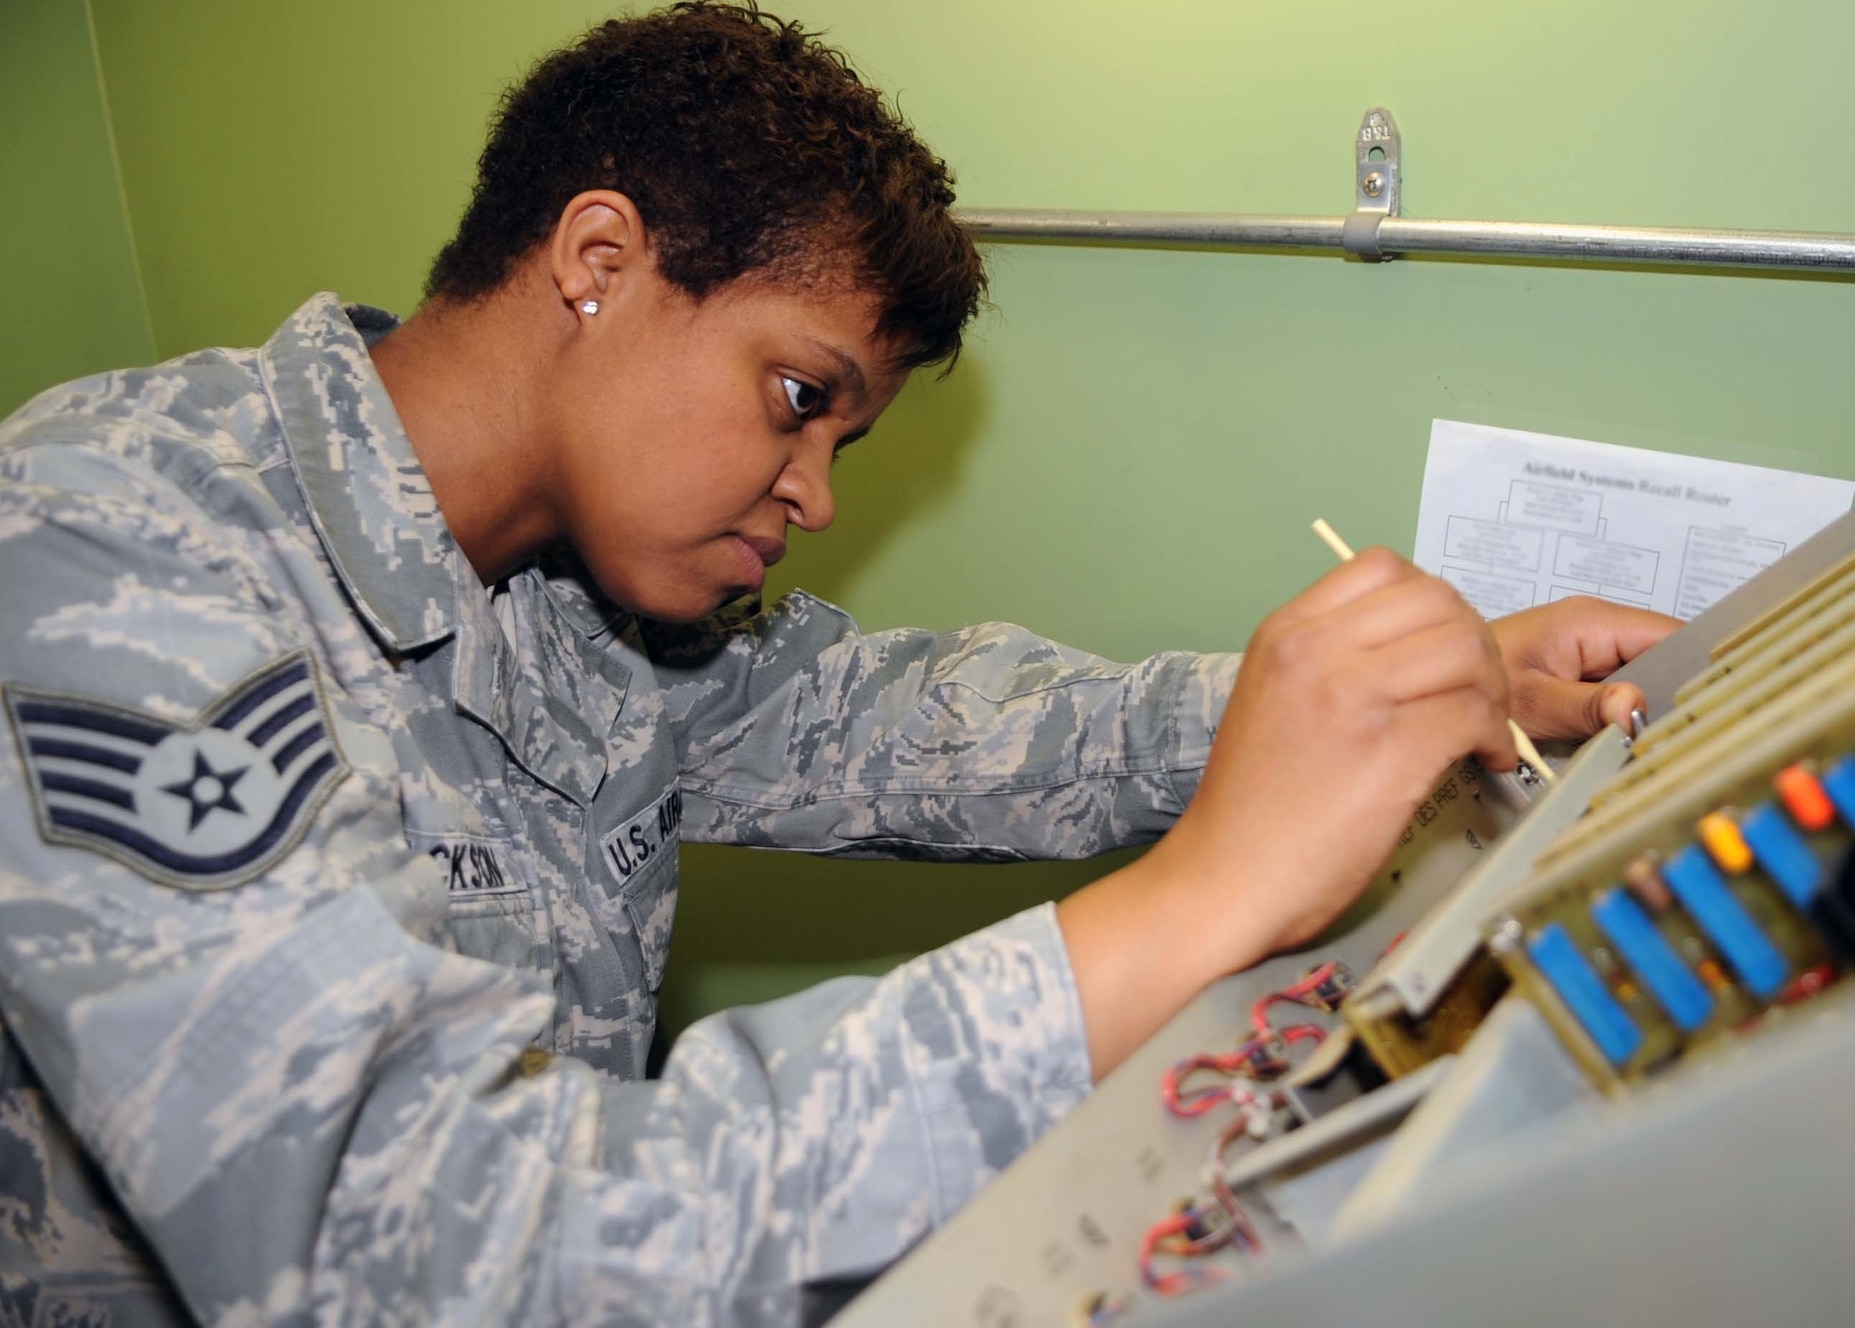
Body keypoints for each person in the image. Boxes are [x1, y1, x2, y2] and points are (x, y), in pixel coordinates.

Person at [0, 5, 1675, 1324]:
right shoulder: (109, 551)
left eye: (847, 442)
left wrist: (1344, 709)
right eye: (800, 399)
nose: (810, 496)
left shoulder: (580, 582)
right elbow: (423, 1257)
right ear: (599, 262)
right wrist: (1192, 908)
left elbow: (906, 727)